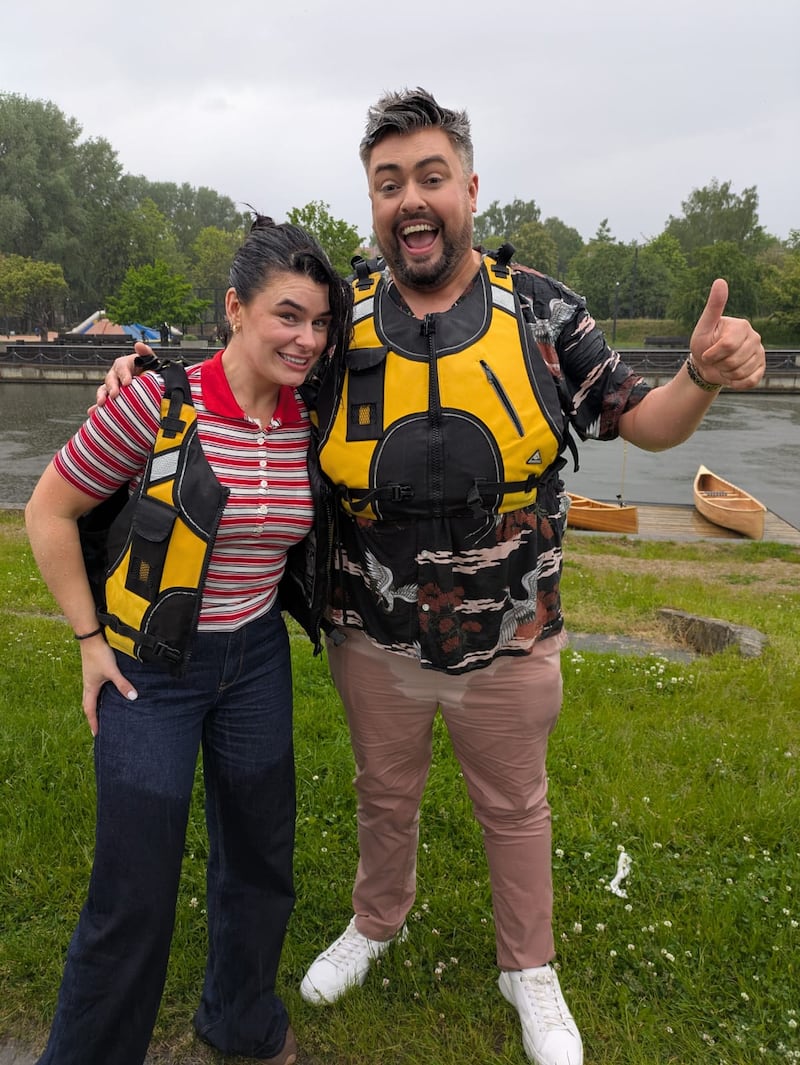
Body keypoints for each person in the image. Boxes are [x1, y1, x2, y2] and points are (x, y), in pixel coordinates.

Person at [102, 89, 765, 1065]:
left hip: (511, 630)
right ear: (371, 203)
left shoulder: (539, 308)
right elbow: (250, 369)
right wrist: (151, 377)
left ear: (467, 187)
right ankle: (378, 920)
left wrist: (701, 375)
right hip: (372, 631)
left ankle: (526, 968)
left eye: (429, 177)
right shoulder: (338, 322)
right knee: (384, 791)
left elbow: (640, 417)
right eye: (387, 183)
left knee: (513, 805)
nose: (410, 200)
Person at [25, 215, 351, 1065]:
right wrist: (89, 640)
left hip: (254, 662)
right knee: (134, 893)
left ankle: (240, 1020)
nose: (307, 338)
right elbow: (47, 510)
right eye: (288, 315)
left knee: (259, 862)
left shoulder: (303, 416)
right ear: (235, 308)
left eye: (318, 321)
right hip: (148, 669)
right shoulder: (156, 401)